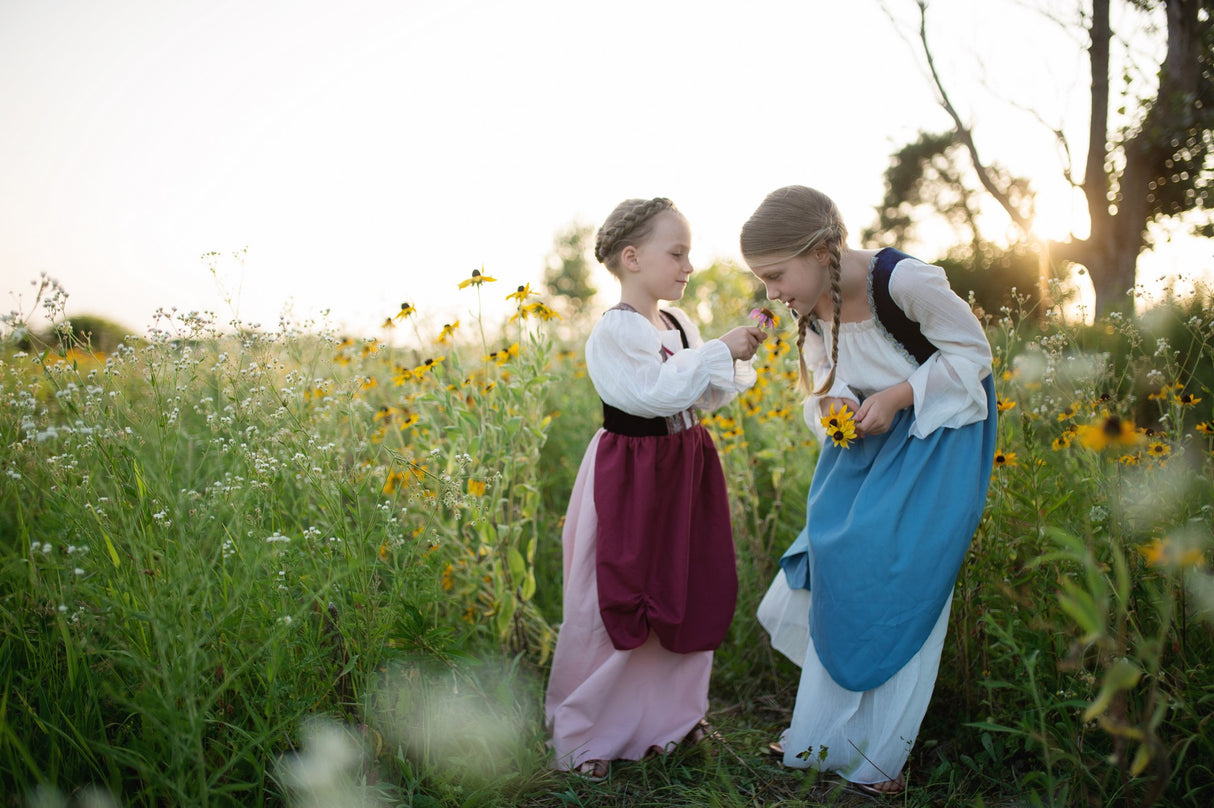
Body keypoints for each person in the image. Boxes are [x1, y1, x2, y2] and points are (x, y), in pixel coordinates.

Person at [742, 185, 997, 796]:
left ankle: (882, 757)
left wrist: (898, 396)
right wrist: (835, 405)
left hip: (937, 435)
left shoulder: (902, 283)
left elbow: (973, 355)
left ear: (824, 248)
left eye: (776, 275)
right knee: (833, 557)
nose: (771, 294)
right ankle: (821, 735)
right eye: (762, 281)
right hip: (865, 441)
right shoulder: (810, 308)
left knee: (899, 574)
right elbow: (823, 388)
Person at [544, 197, 767, 780]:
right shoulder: (616, 331)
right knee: (616, 595)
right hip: (634, 477)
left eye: (689, 253)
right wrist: (718, 352)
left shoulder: (679, 324)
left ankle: (671, 721)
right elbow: (650, 394)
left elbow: (700, 395)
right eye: (677, 253)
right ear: (632, 258)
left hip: (684, 466)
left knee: (687, 587)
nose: (688, 266)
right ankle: (589, 734)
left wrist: (734, 350)